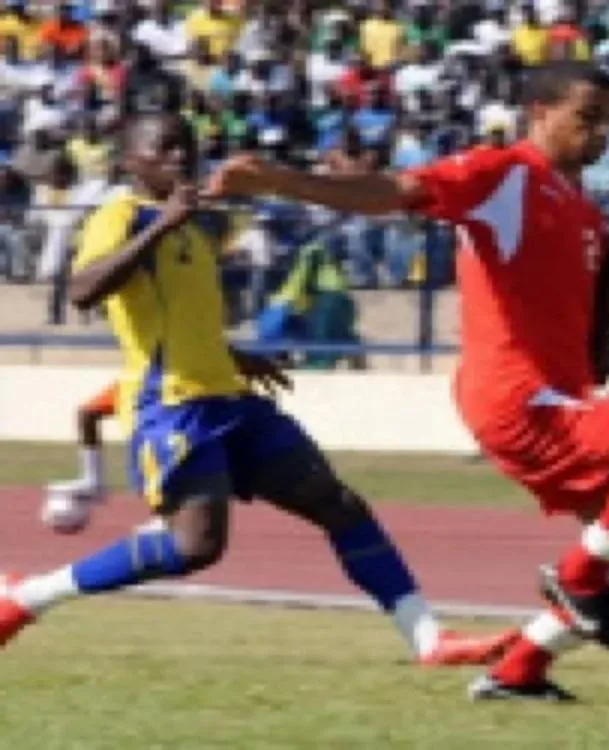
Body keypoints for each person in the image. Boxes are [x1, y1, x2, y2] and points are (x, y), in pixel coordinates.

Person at [206, 60, 609, 703]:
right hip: (520, 393)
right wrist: (282, 181)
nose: (601, 133)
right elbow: (394, 191)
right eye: (587, 118)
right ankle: (577, 581)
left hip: (563, 393)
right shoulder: (503, 174)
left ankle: (517, 673)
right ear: (539, 113)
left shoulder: (584, 210)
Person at [0, 112, 517, 669]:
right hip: (174, 405)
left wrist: (233, 355)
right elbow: (82, 290)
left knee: (337, 504)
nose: (181, 157)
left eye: (187, 145)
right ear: (131, 160)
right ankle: (28, 597)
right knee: (196, 546)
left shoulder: (194, 225)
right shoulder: (121, 215)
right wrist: (162, 225)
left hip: (229, 398)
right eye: (164, 148)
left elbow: (180, 317)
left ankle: (428, 639)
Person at [41, 380, 118, 533]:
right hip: (137, 377)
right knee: (87, 414)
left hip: (165, 380)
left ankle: (164, 511)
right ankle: (93, 480)